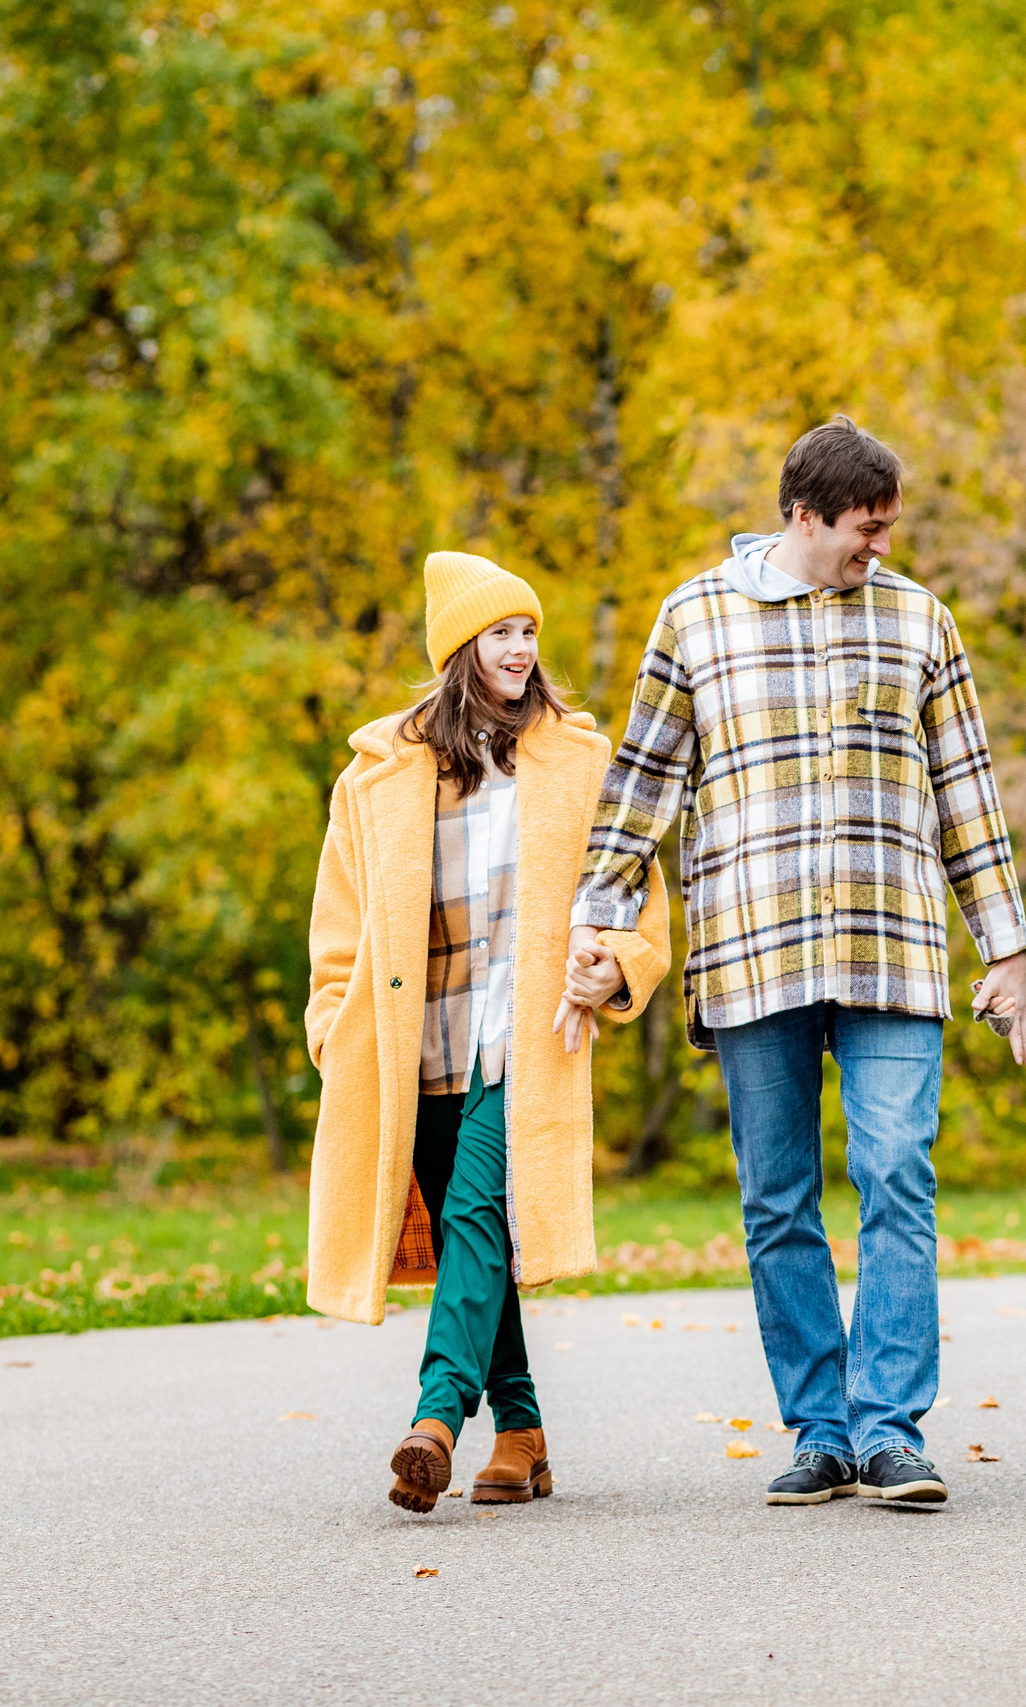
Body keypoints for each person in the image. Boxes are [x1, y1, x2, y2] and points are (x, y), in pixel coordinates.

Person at [565, 417, 1026, 1508]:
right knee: (778, 1197)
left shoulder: (920, 619)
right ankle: (819, 1429)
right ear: (803, 514)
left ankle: (887, 1430)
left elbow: (966, 790)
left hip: (893, 947)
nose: (878, 548)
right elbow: (640, 785)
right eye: (862, 531)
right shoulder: (695, 617)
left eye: (887, 530)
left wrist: (1005, 950)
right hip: (751, 950)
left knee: (896, 1175)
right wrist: (594, 926)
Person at [305, 551, 668, 1514]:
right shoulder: (380, 775)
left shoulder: (577, 762)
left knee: (473, 1210)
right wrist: (329, 1021)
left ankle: (434, 1419)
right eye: (501, 632)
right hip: (413, 1041)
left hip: (520, 1035)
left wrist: (615, 964)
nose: (520, 649)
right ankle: (523, 1431)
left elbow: (640, 901)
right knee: (480, 1236)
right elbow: (339, 918)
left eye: (529, 632)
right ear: (460, 650)